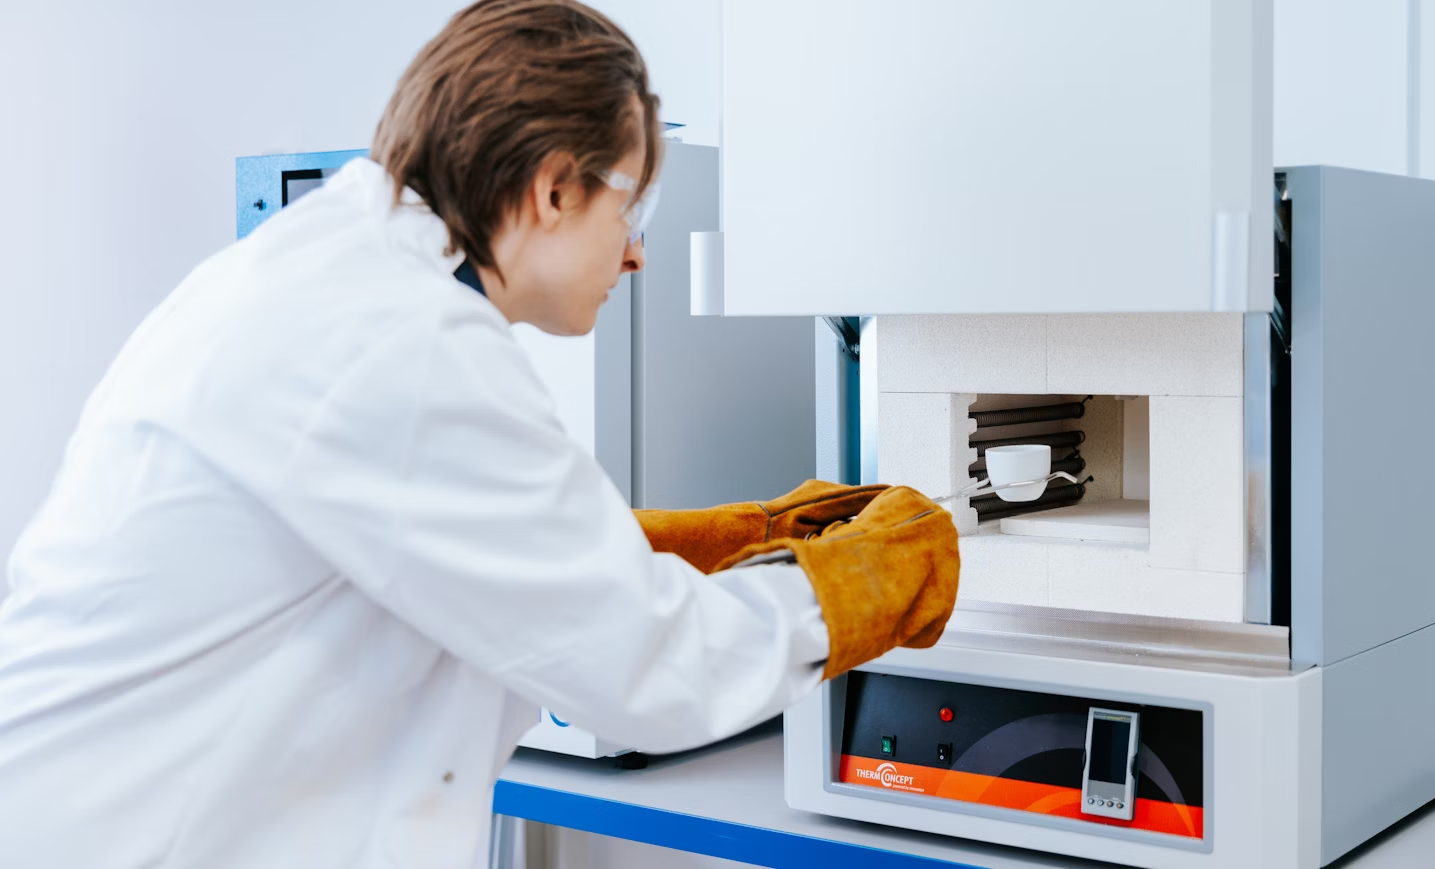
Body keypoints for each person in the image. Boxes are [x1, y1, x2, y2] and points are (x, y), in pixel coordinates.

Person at [0, 1, 959, 867]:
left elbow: (432, 555)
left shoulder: (323, 277)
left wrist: (725, 539)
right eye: (632, 206)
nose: (635, 250)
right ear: (551, 188)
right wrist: (861, 582)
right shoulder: (402, 338)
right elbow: (649, 667)